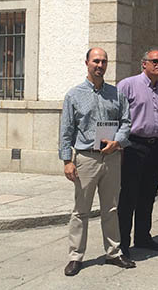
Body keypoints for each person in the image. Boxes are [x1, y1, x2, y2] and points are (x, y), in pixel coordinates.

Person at [58, 48, 135, 276]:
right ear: (87, 63)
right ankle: (75, 257)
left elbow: (126, 122)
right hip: (86, 158)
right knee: (81, 210)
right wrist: (67, 161)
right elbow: (66, 130)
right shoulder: (74, 95)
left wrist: (118, 142)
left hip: (111, 158)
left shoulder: (116, 93)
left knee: (111, 208)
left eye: (103, 61)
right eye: (96, 61)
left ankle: (113, 252)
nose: (100, 65)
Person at [117, 48, 158, 256]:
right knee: (128, 197)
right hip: (133, 146)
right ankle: (122, 244)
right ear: (144, 64)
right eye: (155, 61)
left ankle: (143, 237)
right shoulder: (127, 85)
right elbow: (115, 116)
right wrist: (118, 147)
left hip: (155, 148)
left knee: (148, 195)